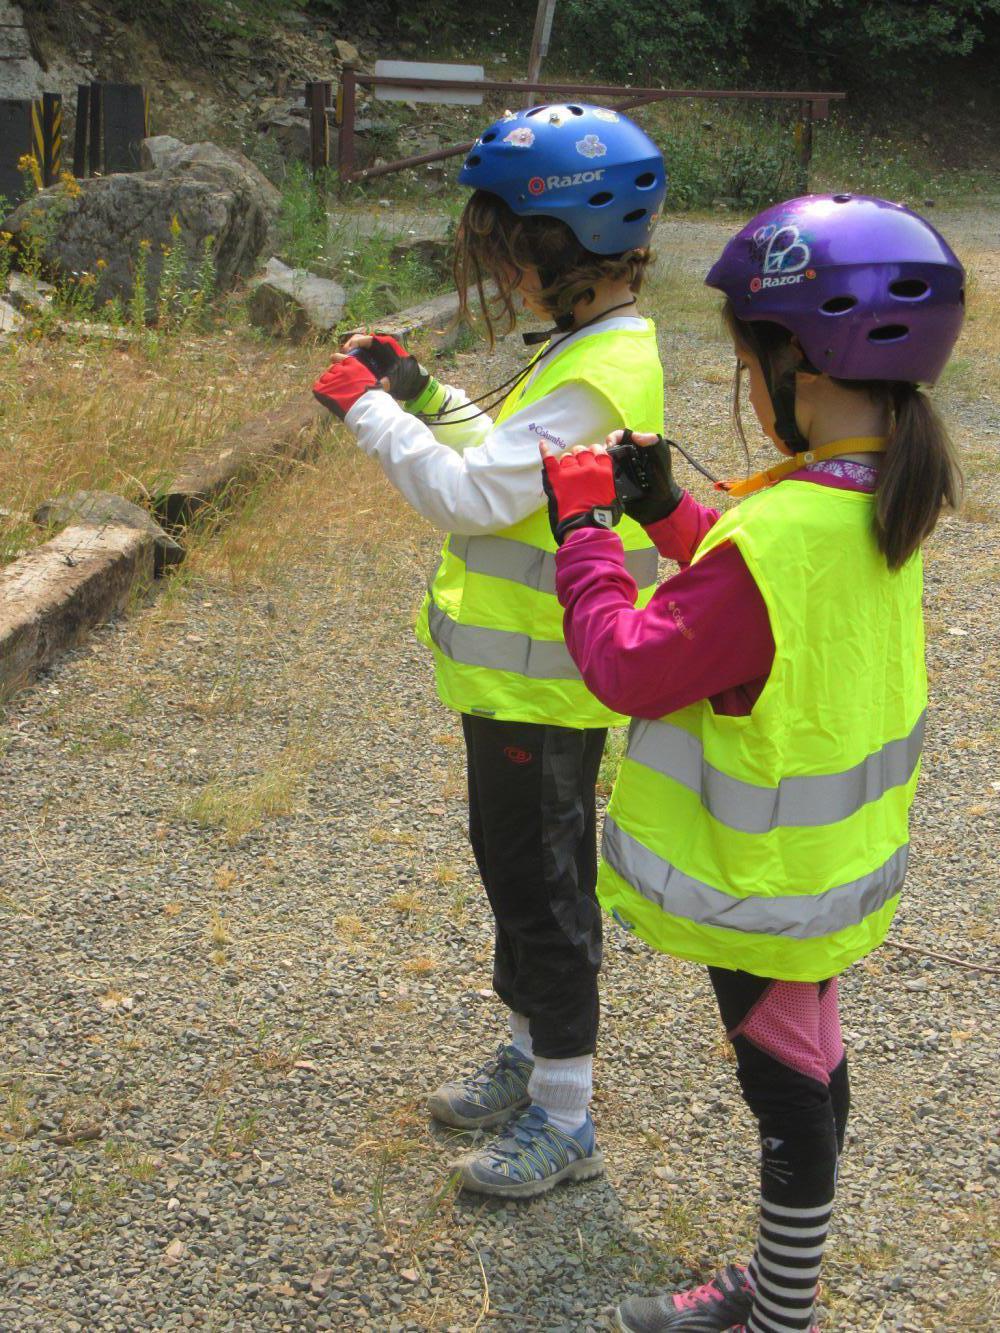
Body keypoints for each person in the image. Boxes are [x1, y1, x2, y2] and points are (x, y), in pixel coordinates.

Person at [540, 194, 964, 1329]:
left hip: (761, 876)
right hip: (826, 865)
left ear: (799, 365)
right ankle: (785, 1284)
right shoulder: (878, 491)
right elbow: (761, 616)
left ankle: (781, 1313)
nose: (747, 383)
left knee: (785, 1094)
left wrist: (584, 537)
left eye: (745, 362)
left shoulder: (782, 530)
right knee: (809, 1066)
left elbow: (629, 664)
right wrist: (670, 512)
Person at [312, 104, 668, 1198]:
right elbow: (508, 465)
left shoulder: (597, 373)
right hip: (519, 681)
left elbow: (469, 498)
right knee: (515, 873)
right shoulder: (589, 349)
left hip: (545, 690)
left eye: (510, 251)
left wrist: (370, 413)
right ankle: (528, 1052)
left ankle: (565, 1114)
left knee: (545, 893)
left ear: (565, 244)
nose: (503, 273)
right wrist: (423, 393)